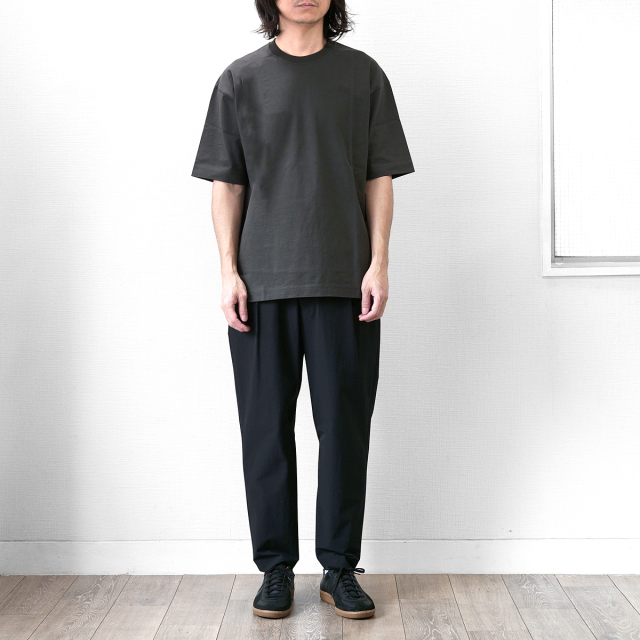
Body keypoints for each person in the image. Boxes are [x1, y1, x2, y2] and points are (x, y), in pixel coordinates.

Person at [191, 0, 414, 620]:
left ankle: (339, 568)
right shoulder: (240, 79)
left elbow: (379, 177)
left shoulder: (362, 75)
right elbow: (227, 184)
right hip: (261, 285)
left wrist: (379, 263)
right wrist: (228, 272)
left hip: (344, 280)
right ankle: (275, 569)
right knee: (265, 432)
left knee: (344, 429)